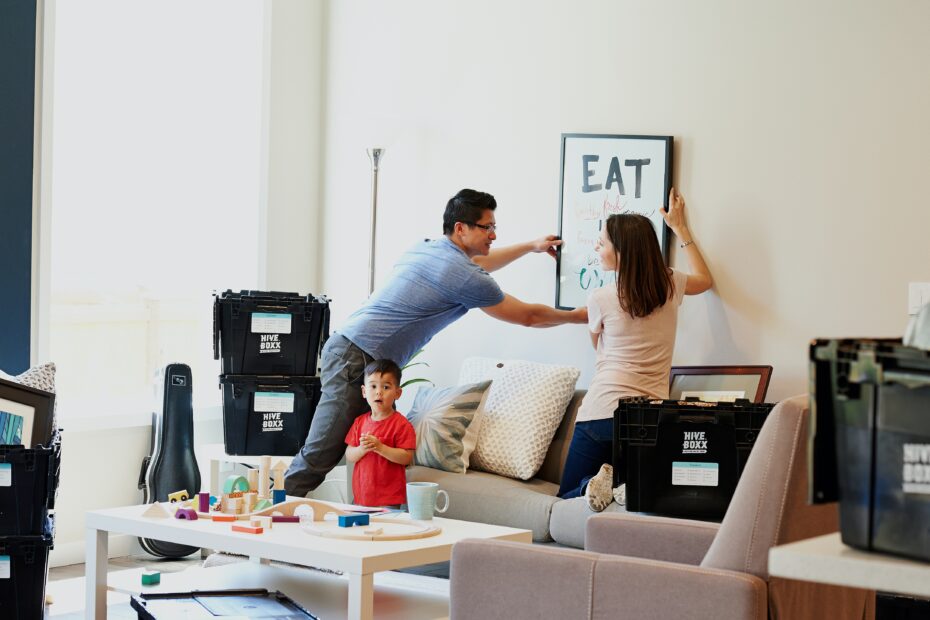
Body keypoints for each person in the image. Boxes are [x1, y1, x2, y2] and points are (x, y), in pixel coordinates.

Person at [285, 188, 587, 496]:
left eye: (495, 228)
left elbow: (481, 263)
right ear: (461, 228)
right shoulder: (463, 275)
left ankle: (307, 514)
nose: (493, 235)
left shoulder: (429, 247)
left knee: (360, 449)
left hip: (352, 349)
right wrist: (581, 315)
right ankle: (271, 517)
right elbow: (529, 316)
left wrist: (530, 246)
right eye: (487, 227)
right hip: (358, 357)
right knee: (323, 450)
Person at [556, 188, 714, 511]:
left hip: (600, 413)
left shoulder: (601, 298)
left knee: (566, 495)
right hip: (649, 418)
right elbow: (705, 279)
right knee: (638, 494)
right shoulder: (670, 285)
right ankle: (620, 486)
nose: (597, 246)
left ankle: (597, 485)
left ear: (622, 251)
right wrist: (680, 229)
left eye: (603, 241)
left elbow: (597, 346)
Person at [344, 359, 416, 507]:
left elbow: (406, 457)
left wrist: (380, 448)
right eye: (373, 386)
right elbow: (349, 454)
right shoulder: (359, 422)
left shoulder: (402, 425)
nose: (379, 392)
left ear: (397, 393)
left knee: (387, 529)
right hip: (362, 495)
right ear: (364, 392)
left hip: (389, 498)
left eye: (386, 387)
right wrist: (362, 449)